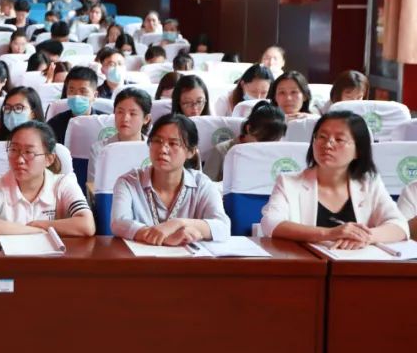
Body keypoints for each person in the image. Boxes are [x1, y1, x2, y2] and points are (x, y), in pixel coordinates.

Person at [261, 111, 409, 246]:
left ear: (358, 150)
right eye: (322, 137)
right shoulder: (289, 183)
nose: (328, 145)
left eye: (339, 139)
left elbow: (400, 225)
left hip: (357, 262)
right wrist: (329, 233)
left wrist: (363, 237)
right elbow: (271, 223)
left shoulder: (369, 183)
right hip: (308, 262)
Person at [110, 114, 231, 244]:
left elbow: (222, 227)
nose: (163, 149)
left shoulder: (202, 184)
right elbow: (119, 223)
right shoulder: (129, 182)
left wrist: (179, 223)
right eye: (157, 141)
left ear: (191, 152)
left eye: (173, 143)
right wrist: (163, 237)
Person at [0, 121, 95, 237]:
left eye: (29, 152)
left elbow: (87, 225)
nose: (19, 160)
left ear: (49, 159)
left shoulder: (63, 184)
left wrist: (40, 224)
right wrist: (37, 231)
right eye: (14, 150)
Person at [202, 101, 287, 181]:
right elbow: (207, 186)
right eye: (262, 141)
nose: (266, 147)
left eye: (273, 142)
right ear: (249, 129)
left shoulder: (280, 153)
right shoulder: (222, 151)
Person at [87, 87, 151, 183]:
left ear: (146, 119)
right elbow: (93, 188)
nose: (125, 118)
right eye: (120, 112)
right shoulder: (100, 150)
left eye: (132, 114)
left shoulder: (154, 149)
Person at [47, 66, 104, 144]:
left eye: (83, 91)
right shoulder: (55, 124)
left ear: (95, 95)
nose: (76, 96)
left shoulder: (104, 123)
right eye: (71, 90)